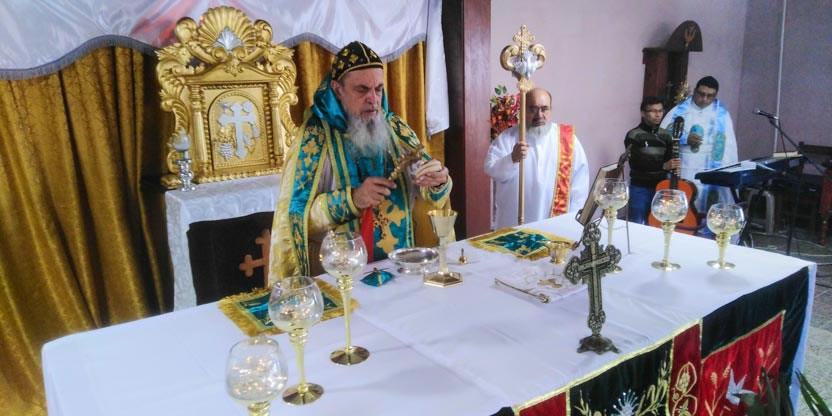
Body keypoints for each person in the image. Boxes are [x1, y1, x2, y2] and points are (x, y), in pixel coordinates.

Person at [269, 41, 452, 280]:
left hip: (402, 270)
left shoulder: (395, 128)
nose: (373, 99)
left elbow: (428, 192)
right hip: (343, 278)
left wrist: (438, 180)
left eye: (378, 89)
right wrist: (352, 200)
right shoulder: (314, 139)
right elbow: (296, 220)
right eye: (362, 89)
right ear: (337, 89)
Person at [484, 88, 589, 229]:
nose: (539, 115)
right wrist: (512, 158)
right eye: (533, 109)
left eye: (544, 109)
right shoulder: (507, 138)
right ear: (522, 110)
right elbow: (491, 170)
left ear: (551, 110)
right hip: (514, 224)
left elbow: (580, 186)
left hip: (556, 225)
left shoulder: (567, 140)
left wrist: (572, 221)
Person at [660, 76, 738, 214]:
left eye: (710, 96)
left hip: (709, 168)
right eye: (701, 94)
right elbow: (663, 135)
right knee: (683, 200)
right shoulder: (679, 110)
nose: (704, 99)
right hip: (684, 166)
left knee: (708, 206)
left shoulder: (721, 115)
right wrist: (684, 138)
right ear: (695, 91)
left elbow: (728, 147)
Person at [624, 97, 680, 224]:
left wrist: (674, 166)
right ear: (643, 113)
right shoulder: (634, 135)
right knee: (636, 223)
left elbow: (669, 160)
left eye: (660, 111)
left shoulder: (666, 135)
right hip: (640, 187)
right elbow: (636, 163)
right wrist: (663, 165)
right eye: (653, 111)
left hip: (661, 188)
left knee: (657, 224)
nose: (658, 115)